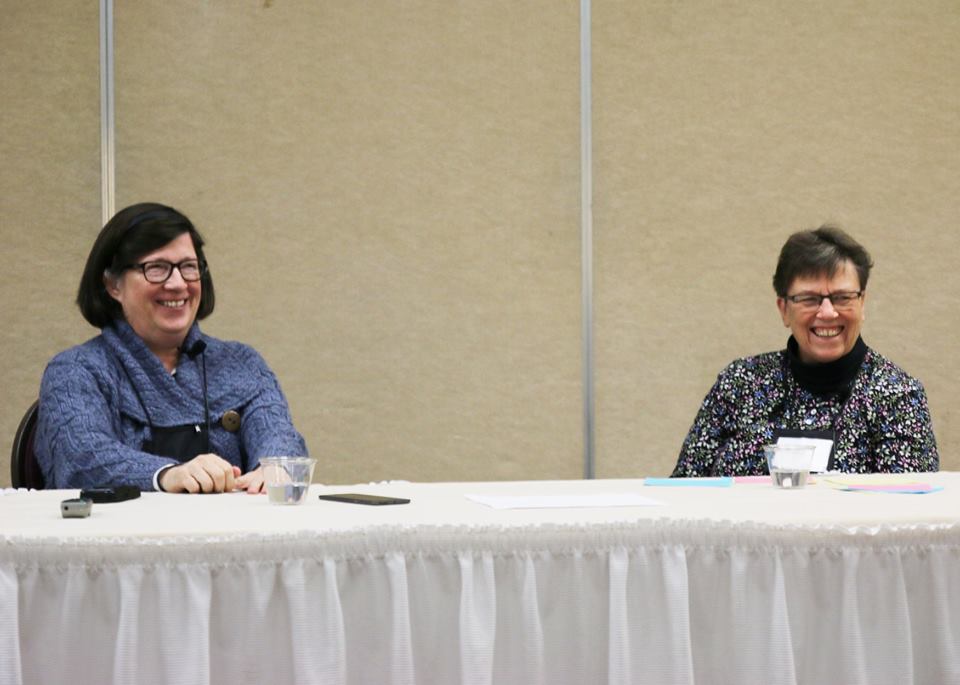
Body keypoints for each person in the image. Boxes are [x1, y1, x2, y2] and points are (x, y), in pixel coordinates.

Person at [35, 203, 307, 493]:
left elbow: (279, 436)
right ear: (113, 284)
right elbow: (82, 460)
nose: (178, 284)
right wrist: (167, 474)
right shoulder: (76, 371)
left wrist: (276, 468)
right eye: (156, 268)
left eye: (188, 267)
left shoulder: (242, 364)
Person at [672, 225, 938, 477]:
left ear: (862, 303)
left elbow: (909, 504)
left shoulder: (897, 395)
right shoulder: (740, 383)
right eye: (809, 299)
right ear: (784, 309)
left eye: (842, 298)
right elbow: (684, 487)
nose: (827, 312)